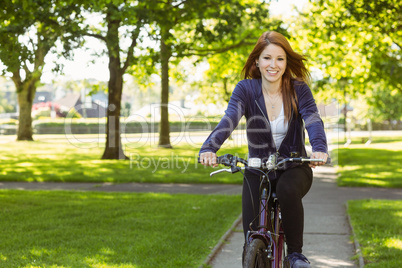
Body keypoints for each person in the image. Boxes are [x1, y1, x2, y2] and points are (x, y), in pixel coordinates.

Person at [199, 31, 329, 268]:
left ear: (287, 62)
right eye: (267, 58)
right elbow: (230, 119)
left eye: (280, 59)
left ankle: (295, 254)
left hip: (294, 166)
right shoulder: (246, 89)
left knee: (288, 190)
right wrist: (209, 148)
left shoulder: (298, 90)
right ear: (257, 61)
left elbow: (312, 119)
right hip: (257, 167)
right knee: (251, 238)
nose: (273, 65)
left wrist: (319, 148)